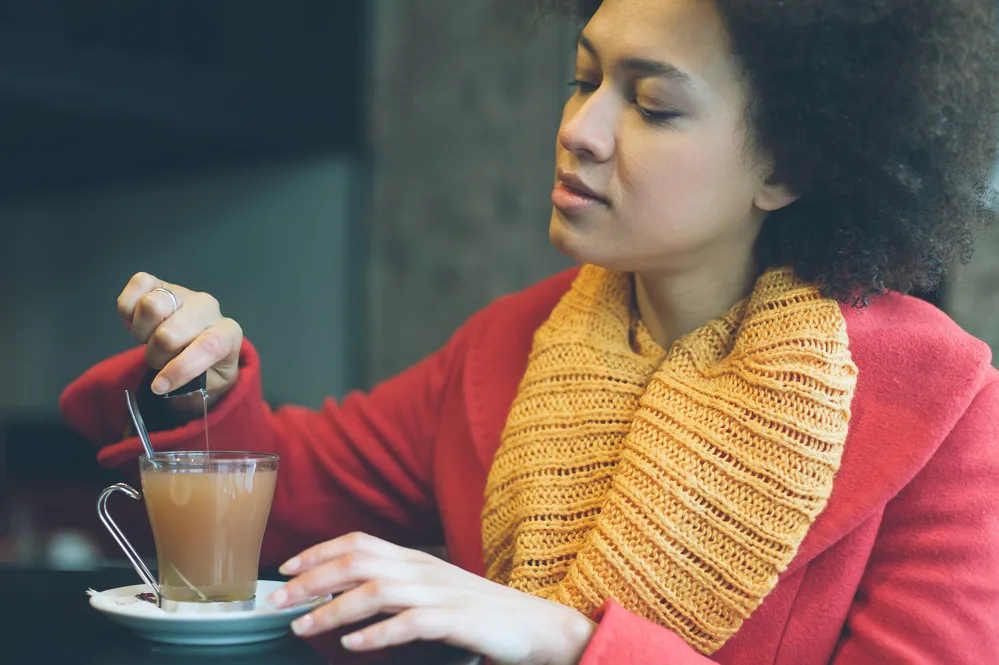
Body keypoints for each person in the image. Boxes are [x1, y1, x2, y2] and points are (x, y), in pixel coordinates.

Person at [60, 0, 999, 663]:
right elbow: (279, 500)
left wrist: (567, 641)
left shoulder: (940, 403)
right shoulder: (512, 343)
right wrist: (201, 383)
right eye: (583, 78)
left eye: (652, 104)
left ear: (790, 165)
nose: (580, 130)